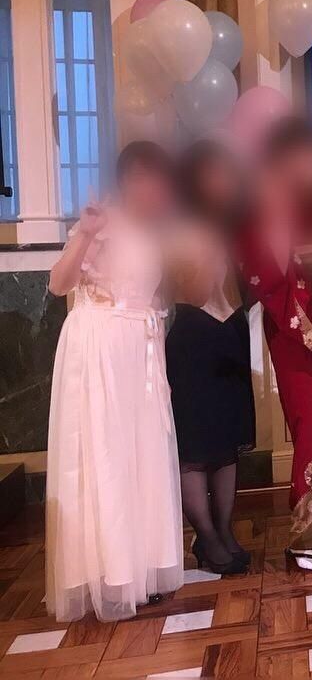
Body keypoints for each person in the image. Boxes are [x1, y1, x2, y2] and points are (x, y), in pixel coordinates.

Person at [45, 141, 184, 621]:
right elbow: (59, 284)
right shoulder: (99, 223)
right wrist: (85, 234)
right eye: (151, 181)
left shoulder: (153, 231)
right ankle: (110, 574)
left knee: (142, 455)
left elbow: (149, 298)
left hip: (139, 354)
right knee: (105, 456)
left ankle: (141, 569)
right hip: (100, 348)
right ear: (130, 181)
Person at [237, 120, 312, 570]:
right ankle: (308, 535)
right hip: (293, 327)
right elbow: (260, 273)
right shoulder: (258, 210)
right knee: (311, 424)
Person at [166, 138, 255, 576]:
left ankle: (224, 531)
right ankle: (206, 536)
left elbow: (249, 285)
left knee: (226, 444)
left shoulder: (235, 222)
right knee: (196, 447)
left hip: (231, 332)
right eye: (212, 174)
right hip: (193, 336)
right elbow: (195, 287)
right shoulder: (177, 225)